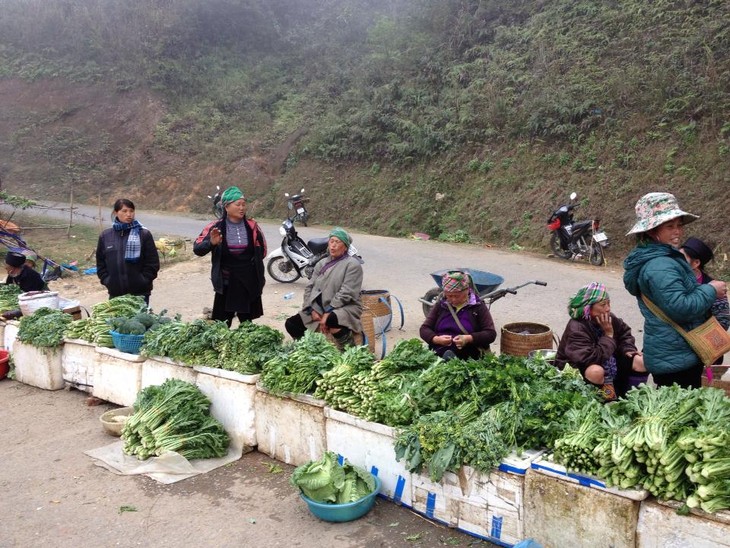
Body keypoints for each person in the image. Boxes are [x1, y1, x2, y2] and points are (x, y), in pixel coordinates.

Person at [623, 192, 727, 389]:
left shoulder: (662, 258)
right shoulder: (660, 265)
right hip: (676, 358)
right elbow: (681, 307)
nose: (677, 231)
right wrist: (711, 290)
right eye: (669, 226)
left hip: (674, 353)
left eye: (679, 225)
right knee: (680, 415)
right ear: (652, 231)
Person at [555, 282, 647, 401]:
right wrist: (608, 335)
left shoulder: (608, 317)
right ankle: (600, 405)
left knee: (641, 361)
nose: (608, 308)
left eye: (609, 303)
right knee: (596, 371)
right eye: (603, 305)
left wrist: (628, 349)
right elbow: (591, 358)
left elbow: (625, 334)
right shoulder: (576, 327)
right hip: (579, 368)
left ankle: (633, 401)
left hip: (608, 361)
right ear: (588, 307)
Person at [194, 186, 267, 327]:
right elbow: (197, 249)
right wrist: (211, 243)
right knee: (222, 325)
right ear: (226, 207)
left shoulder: (253, 227)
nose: (242, 208)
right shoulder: (215, 227)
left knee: (247, 324)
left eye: (244, 204)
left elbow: (262, 252)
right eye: (238, 204)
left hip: (247, 283)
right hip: (226, 282)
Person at [284, 227, 363, 349]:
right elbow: (310, 287)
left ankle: (351, 351)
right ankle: (307, 350)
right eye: (331, 241)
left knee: (331, 320)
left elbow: (346, 292)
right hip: (318, 308)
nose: (333, 246)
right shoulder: (321, 263)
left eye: (338, 242)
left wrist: (327, 313)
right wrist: (311, 309)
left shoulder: (352, 265)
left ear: (345, 247)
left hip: (345, 307)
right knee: (291, 324)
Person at [420, 270, 496, 360]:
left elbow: (490, 334)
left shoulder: (478, 307)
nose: (453, 299)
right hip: (439, 351)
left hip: (469, 355)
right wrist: (436, 339)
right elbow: (424, 329)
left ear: (467, 290)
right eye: (449, 296)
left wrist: (468, 338)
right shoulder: (441, 305)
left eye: (457, 296)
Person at [96, 198, 160, 305]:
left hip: (140, 293)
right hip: (116, 293)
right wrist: (107, 281)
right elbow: (101, 263)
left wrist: (144, 280)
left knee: (140, 320)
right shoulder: (105, 236)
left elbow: (152, 263)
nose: (129, 214)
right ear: (116, 212)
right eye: (124, 211)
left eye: (131, 211)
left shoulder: (143, 234)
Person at [680, 237, 730, 366]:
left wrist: (696, 336)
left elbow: (723, 321)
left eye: (681, 258)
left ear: (696, 263)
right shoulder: (674, 283)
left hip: (707, 352)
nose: (675, 261)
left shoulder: (715, 287)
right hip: (679, 352)